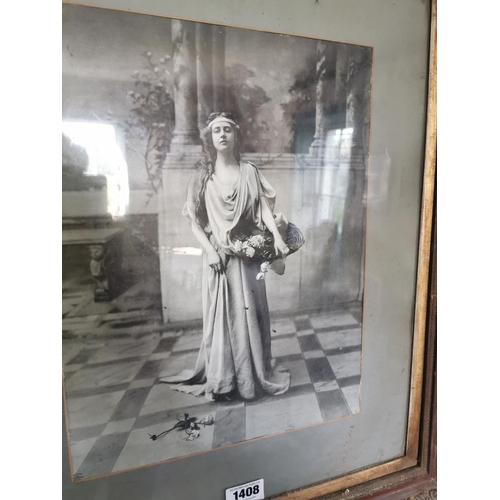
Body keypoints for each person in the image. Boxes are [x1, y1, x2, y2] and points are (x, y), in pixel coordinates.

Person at [160, 112, 291, 401]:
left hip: (248, 258)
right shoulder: (202, 177)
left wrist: (278, 238)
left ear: (235, 135)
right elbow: (195, 222)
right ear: (210, 137)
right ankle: (225, 381)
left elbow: (263, 210)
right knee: (223, 318)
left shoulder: (249, 172)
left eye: (227, 129)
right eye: (217, 130)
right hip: (220, 259)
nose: (222, 134)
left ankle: (251, 378)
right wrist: (209, 251)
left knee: (250, 317)